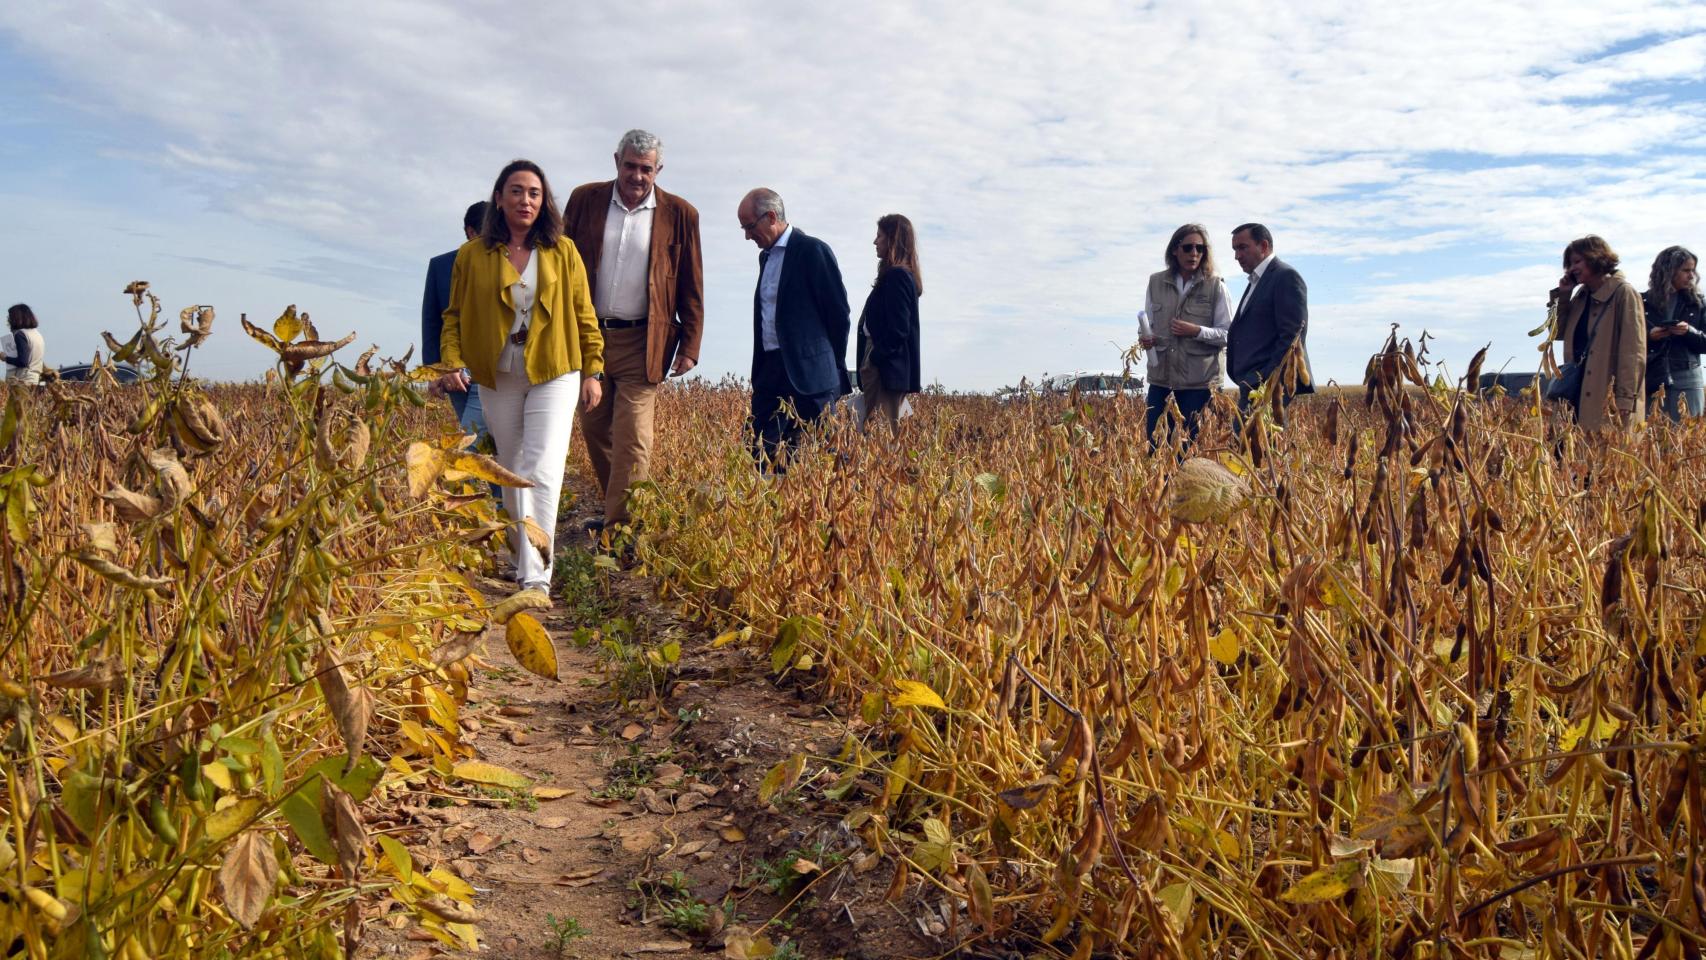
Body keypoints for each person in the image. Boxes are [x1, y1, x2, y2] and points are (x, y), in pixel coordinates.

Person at [436, 160, 604, 592]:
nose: (525, 200)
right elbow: (453, 315)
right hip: (499, 373)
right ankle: (521, 555)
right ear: (499, 198)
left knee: (541, 466)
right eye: (516, 191)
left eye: (533, 192)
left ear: (543, 200)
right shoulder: (472, 256)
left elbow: (585, 313)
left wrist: (593, 370)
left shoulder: (563, 251)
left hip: (556, 366)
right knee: (511, 468)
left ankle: (537, 575)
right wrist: (451, 361)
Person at [563, 130, 705, 531]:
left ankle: (623, 528)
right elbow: (559, 264)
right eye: (630, 166)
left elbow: (691, 283)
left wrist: (690, 345)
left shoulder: (681, 214)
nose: (637, 176)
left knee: (633, 438)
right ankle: (618, 510)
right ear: (616, 162)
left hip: (646, 341)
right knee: (594, 429)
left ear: (658, 169)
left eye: (646, 169)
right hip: (587, 337)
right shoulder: (584, 200)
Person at [737, 188, 849, 469]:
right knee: (762, 450)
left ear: (771, 216)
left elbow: (838, 314)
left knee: (826, 454)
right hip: (770, 371)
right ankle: (773, 509)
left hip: (811, 375)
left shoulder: (812, 251)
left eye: (750, 227)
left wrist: (829, 364)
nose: (747, 236)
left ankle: (835, 510)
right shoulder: (765, 258)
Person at [1138, 223, 1230, 446]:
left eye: (1200, 248)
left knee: (1193, 453)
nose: (1195, 253)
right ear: (1175, 250)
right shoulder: (1156, 282)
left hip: (1199, 386)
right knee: (1157, 448)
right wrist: (1145, 337)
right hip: (1162, 382)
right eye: (1188, 247)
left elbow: (1228, 334)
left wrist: (1196, 331)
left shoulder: (1216, 286)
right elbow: (1147, 323)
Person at [1548, 235, 1645, 432]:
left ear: (1596, 258)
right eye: (1569, 264)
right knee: (1571, 457)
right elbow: (1556, 333)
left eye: (1577, 261)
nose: (1571, 268)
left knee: (1603, 456)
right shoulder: (1581, 296)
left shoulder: (1623, 293)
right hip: (1575, 392)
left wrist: (1626, 399)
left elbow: (1633, 352)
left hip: (1606, 394)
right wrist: (1563, 296)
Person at [1226, 223, 1313, 408]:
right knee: (1244, 436)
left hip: (1270, 387)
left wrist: (1268, 380)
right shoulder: (1258, 280)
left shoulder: (1285, 277)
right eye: (1235, 249)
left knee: (1252, 436)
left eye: (1242, 248)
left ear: (1263, 246)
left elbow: (1292, 338)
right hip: (1253, 384)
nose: (1237, 256)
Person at [423, 201, 491, 434]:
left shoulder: (508, 263)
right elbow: (432, 322)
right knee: (479, 440)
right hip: (455, 372)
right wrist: (435, 372)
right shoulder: (441, 265)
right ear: (471, 232)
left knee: (470, 442)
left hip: (492, 370)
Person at [854, 214, 922, 432]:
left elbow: (898, 329)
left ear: (892, 240)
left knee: (881, 439)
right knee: (877, 434)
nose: (875, 241)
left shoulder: (897, 276)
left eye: (879, 236)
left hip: (886, 368)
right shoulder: (896, 275)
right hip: (885, 365)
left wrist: (875, 357)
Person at [1641, 245, 1706, 421]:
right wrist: (1649, 336)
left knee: (1688, 440)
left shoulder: (1698, 303)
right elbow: (1625, 341)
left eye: (1693, 270)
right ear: (1668, 271)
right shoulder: (1641, 302)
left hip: (1688, 381)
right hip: (1652, 379)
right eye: (1686, 270)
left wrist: (1688, 332)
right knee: (1651, 442)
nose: (1692, 276)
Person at [4, 305, 44, 384]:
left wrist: (5, 358)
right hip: (35, 378)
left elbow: (23, 362)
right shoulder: (37, 334)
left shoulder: (20, 334)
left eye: (10, 318)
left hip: (23, 380)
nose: (9, 321)